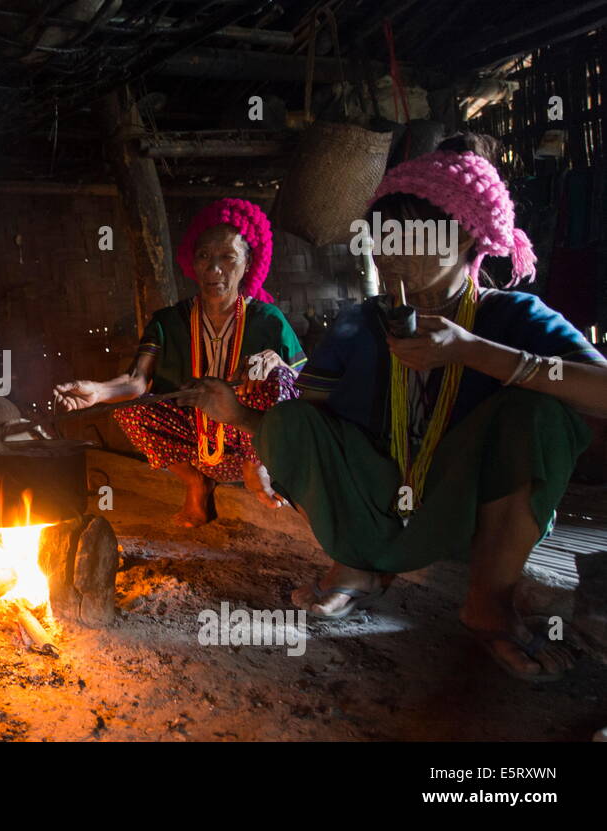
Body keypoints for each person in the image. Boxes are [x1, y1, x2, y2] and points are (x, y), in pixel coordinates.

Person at [174, 135, 607, 682]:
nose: (391, 249)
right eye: (383, 235)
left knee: (541, 411)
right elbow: (305, 427)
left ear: (470, 235)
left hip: (471, 514)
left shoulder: (513, 316)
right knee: (288, 419)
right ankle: (355, 566)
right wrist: (241, 422)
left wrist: (475, 352)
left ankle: (489, 600)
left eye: (412, 234)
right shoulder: (360, 322)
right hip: (377, 508)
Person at [54, 198, 306, 527]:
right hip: (196, 445)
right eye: (204, 257)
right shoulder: (169, 321)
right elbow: (136, 381)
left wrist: (278, 365)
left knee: (273, 377)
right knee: (130, 407)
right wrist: (98, 391)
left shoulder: (268, 319)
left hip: (255, 442)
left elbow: (301, 382)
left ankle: (256, 469)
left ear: (248, 263)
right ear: (192, 262)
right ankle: (196, 483)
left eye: (227, 258)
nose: (214, 270)